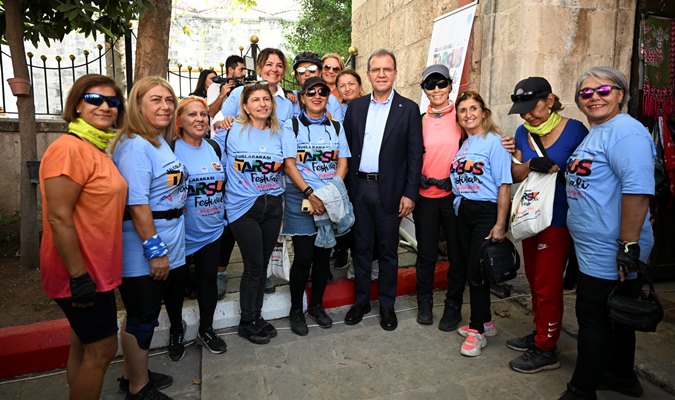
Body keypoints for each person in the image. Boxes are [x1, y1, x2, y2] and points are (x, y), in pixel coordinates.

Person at [560, 67, 655, 399]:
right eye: (585, 93)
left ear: (620, 94)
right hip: (593, 247)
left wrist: (627, 247)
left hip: (611, 249)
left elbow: (637, 191)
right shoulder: (598, 131)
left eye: (603, 90)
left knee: (593, 318)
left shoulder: (626, 132)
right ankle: (621, 376)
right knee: (617, 315)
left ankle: (581, 390)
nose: (594, 97)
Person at [39, 74, 127, 400]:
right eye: (94, 99)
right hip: (79, 272)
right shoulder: (69, 149)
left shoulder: (95, 148)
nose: (105, 106)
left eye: (112, 101)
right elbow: (58, 216)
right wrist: (78, 277)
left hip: (96, 269)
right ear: (77, 105)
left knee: (83, 341)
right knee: (102, 349)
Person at [112, 76, 187, 400]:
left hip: (167, 238)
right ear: (137, 105)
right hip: (143, 248)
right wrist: (156, 252)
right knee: (142, 318)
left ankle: (131, 374)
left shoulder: (157, 141)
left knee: (140, 314)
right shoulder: (135, 146)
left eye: (169, 100)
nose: (165, 106)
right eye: (156, 100)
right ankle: (139, 389)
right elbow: (137, 204)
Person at [506, 77, 588, 373]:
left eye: (532, 108)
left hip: (559, 218)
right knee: (534, 279)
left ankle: (546, 349)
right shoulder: (522, 132)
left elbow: (588, 174)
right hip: (532, 215)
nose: (528, 115)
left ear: (550, 100)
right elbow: (515, 173)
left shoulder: (575, 131)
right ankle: (542, 331)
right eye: (522, 111)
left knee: (547, 284)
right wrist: (530, 165)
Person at [343, 48, 423, 332]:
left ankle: (387, 305)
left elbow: (415, 155)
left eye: (386, 69)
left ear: (395, 73)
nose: (381, 74)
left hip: (390, 191)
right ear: (368, 74)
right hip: (359, 189)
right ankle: (361, 301)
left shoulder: (408, 109)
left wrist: (410, 193)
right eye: (376, 69)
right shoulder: (355, 108)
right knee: (361, 248)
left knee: (388, 251)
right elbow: (345, 150)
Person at [213, 82, 285, 345]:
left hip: (272, 206)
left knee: (262, 265)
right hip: (243, 208)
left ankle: (257, 316)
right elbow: (212, 159)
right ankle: (247, 321)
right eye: (255, 100)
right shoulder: (231, 130)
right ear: (244, 106)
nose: (262, 104)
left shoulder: (280, 132)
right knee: (254, 266)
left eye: (266, 99)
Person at [281, 77, 351, 336]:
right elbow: (289, 165)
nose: (317, 96)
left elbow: (342, 163)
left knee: (323, 256)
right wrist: (310, 193)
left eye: (322, 92)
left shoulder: (336, 126)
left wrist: (330, 192)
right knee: (304, 257)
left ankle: (317, 306)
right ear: (303, 97)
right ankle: (296, 310)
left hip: (328, 197)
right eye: (311, 92)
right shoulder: (292, 126)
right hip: (301, 197)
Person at [449, 91, 512, 357]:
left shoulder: (496, 142)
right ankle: (485, 321)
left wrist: (500, 224)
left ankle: (477, 332)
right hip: (464, 211)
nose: (468, 114)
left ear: (484, 113)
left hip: (486, 212)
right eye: (463, 110)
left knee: (477, 273)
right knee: (472, 269)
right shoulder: (464, 144)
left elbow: (504, 185)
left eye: (473, 108)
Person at [413, 64, 469, 330]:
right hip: (425, 197)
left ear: (450, 85)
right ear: (424, 89)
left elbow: (482, 138)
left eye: (441, 83)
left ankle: (452, 306)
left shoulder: (462, 116)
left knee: (457, 255)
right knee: (426, 254)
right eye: (430, 85)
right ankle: (424, 303)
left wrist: (505, 142)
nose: (436, 89)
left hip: (454, 197)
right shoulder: (419, 120)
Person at [171, 96, 227, 356]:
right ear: (179, 121)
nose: (199, 119)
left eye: (203, 114)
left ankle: (206, 329)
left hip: (212, 230)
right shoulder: (170, 148)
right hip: (180, 233)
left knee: (208, 282)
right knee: (175, 286)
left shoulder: (213, 147)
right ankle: (175, 330)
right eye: (192, 114)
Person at [289, 51, 344, 122]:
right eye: (301, 70)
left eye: (312, 69)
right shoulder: (290, 98)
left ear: (320, 72)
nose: (307, 74)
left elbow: (339, 127)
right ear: (297, 76)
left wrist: (330, 120)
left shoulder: (332, 101)